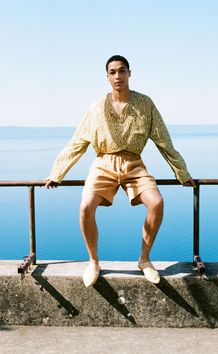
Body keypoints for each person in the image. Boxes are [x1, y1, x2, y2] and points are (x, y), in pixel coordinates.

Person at [45, 55, 196, 287]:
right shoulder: (96, 108)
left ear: (129, 73)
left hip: (134, 163)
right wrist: (57, 173)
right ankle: (93, 261)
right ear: (107, 76)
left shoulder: (145, 104)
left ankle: (144, 260)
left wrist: (182, 173)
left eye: (122, 71)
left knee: (156, 202)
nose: (117, 76)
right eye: (113, 72)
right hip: (103, 163)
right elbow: (77, 143)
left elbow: (164, 142)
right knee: (86, 206)